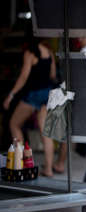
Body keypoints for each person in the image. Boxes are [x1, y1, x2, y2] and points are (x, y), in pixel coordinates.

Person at [3, 38, 66, 177]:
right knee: (45, 132)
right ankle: (48, 169)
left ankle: (20, 164)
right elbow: (53, 75)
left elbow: (24, 76)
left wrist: (11, 95)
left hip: (33, 95)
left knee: (14, 124)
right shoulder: (49, 52)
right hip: (47, 94)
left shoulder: (30, 53)